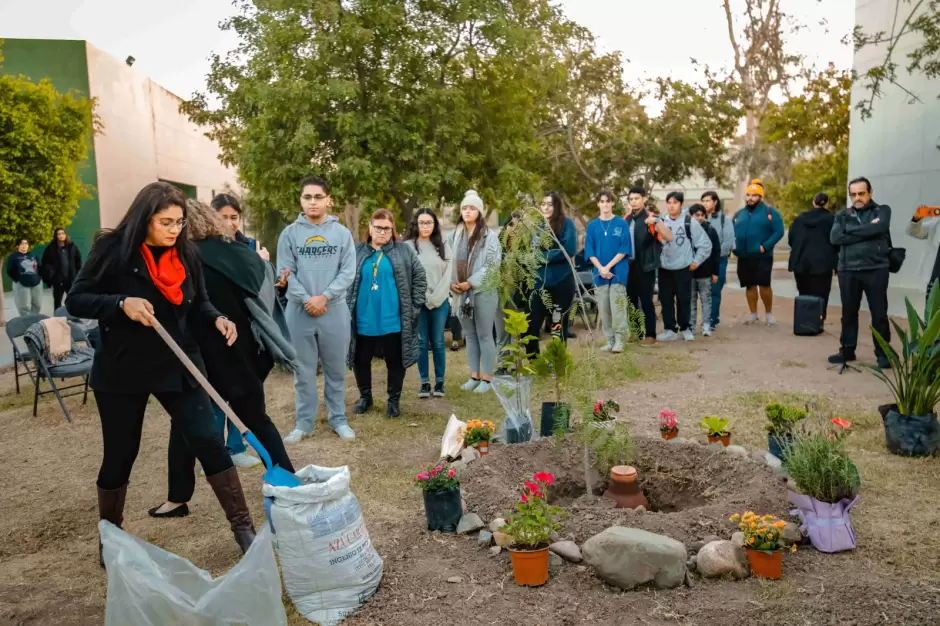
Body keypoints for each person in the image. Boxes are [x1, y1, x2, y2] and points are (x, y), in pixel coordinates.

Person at [65, 181, 255, 562]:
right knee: (121, 454)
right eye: (166, 222)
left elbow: (199, 302)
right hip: (123, 366)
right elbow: (76, 299)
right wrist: (121, 303)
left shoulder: (186, 253)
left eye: (180, 222)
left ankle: (244, 530)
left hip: (177, 362)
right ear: (144, 219)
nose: (174, 230)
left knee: (208, 440)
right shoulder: (112, 249)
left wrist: (217, 317)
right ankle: (110, 536)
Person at [149, 200, 297, 519]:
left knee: (185, 424)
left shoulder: (184, 257)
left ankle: (177, 498)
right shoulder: (242, 253)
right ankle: (290, 483)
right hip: (244, 349)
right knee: (257, 418)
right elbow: (265, 290)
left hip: (203, 352)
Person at [277, 175, 357, 443]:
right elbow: (285, 272)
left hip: (333, 310)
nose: (313, 202)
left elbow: (348, 272)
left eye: (318, 197)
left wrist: (325, 297)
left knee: (336, 369)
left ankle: (338, 419)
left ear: (328, 200)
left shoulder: (342, 234)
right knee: (303, 371)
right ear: (301, 201)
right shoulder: (290, 234)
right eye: (307, 197)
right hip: (299, 313)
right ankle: (304, 423)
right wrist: (307, 299)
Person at [349, 209, 427, 417]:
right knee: (360, 360)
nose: (382, 232)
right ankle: (366, 398)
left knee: (395, 361)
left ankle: (393, 402)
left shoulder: (404, 251)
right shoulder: (357, 252)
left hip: (393, 320)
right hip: (363, 318)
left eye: (386, 228)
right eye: (378, 227)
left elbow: (420, 277)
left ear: (392, 229)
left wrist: (415, 306)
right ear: (370, 227)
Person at [829, 177, 892, 369]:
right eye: (853, 194)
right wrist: (867, 231)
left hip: (876, 269)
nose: (857, 198)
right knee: (848, 313)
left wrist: (850, 231)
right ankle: (847, 350)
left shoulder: (882, 210)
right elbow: (834, 237)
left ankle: (883, 354)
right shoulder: (841, 214)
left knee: (879, 313)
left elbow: (880, 227)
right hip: (848, 270)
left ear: (870, 193)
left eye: (861, 193)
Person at [448, 190, 501, 393]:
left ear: (479, 211)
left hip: (483, 291)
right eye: (464, 208)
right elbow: (449, 261)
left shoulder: (490, 237)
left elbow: (491, 265)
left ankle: (487, 379)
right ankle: (474, 375)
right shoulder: (455, 235)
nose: (467, 211)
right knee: (469, 335)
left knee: (485, 335)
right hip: (461, 293)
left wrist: (470, 283)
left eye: (472, 208)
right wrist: (453, 283)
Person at [405, 208, 453, 398]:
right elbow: (408, 275)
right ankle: (425, 382)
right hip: (419, 301)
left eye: (429, 222)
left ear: (435, 225)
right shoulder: (408, 246)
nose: (425, 226)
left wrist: (436, 297)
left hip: (440, 301)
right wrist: (423, 296)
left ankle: (440, 382)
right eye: (422, 222)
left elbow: (447, 275)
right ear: (415, 224)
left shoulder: (443, 245)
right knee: (422, 342)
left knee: (439, 342)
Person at [526, 191, 577, 356]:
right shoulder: (536, 226)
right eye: (543, 204)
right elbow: (529, 251)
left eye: (550, 204)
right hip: (539, 282)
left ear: (557, 206)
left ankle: (557, 360)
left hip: (561, 282)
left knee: (558, 324)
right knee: (532, 324)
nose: (546, 207)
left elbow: (568, 249)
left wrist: (542, 257)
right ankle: (534, 360)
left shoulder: (566, 224)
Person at [657, 191, 712, 342]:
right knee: (666, 299)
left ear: (681, 204)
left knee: (684, 299)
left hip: (683, 268)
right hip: (664, 268)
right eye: (669, 202)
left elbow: (705, 244)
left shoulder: (689, 222)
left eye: (675, 202)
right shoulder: (661, 221)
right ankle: (669, 329)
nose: (671, 206)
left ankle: (685, 328)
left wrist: (696, 261)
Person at [732, 179, 785, 325]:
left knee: (764, 285)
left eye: (754, 195)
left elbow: (779, 231)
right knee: (749, 285)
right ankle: (753, 314)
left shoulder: (770, 212)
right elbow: (731, 232)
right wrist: (734, 247)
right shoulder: (739, 214)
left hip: (762, 256)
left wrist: (765, 246)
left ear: (760, 197)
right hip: (744, 255)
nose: (750, 198)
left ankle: (769, 314)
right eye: (748, 195)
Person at [585, 190, 631, 352]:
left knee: (617, 306)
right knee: (604, 307)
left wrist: (609, 266)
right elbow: (589, 251)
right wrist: (601, 268)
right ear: (598, 204)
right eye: (602, 201)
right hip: (600, 272)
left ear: (612, 203)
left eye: (608, 201)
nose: (605, 204)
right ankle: (610, 340)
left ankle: (620, 340)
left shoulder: (621, 223)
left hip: (618, 270)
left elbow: (624, 249)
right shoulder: (592, 226)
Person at [788, 192, 838, 321]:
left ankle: (805, 319)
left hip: (801, 262)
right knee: (821, 294)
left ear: (813, 203)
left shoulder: (799, 219)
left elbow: (791, 239)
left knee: (804, 293)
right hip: (823, 263)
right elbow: (837, 241)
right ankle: (819, 320)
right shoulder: (832, 219)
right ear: (827, 204)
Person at [624, 187, 660, 345]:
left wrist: (655, 224)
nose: (634, 202)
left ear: (644, 199)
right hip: (628, 266)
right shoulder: (626, 219)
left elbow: (660, 239)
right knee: (631, 301)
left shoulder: (651, 218)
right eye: (631, 199)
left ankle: (650, 334)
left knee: (646, 301)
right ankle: (636, 332)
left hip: (645, 266)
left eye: (637, 198)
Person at [701, 191, 735, 328]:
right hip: (701, 261)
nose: (705, 203)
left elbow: (727, 242)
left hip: (718, 260)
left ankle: (712, 320)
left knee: (715, 291)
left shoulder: (724, 220)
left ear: (715, 202)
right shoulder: (698, 218)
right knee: (702, 291)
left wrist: (714, 255)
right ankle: (704, 319)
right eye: (703, 201)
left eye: (708, 200)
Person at [688, 204, 721, 337]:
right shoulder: (685, 229)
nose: (700, 218)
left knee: (706, 300)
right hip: (689, 272)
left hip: (705, 272)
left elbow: (716, 252)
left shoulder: (710, 230)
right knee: (691, 300)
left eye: (702, 215)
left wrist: (715, 272)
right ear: (691, 215)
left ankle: (706, 325)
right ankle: (691, 327)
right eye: (697, 215)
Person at [41, 228, 83, 310]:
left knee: (72, 299)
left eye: (63, 233)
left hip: (70, 279)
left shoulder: (72, 247)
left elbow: (78, 262)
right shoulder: (51, 248)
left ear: (66, 235)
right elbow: (45, 263)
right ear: (56, 236)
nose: (61, 235)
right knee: (57, 301)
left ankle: (73, 316)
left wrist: (78, 275)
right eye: (59, 234)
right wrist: (51, 275)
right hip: (58, 280)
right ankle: (57, 318)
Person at [906, 205, 940, 299]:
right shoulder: (937, 222)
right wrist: (916, 219)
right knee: (932, 311)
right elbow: (914, 232)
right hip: (935, 282)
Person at [6, 238, 43, 317]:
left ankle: (34, 321)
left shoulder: (33, 255)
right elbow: (10, 270)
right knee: (24, 306)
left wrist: (39, 278)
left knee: (37, 304)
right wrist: (18, 280)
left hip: (36, 283)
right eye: (22, 244)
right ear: (17, 245)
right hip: (22, 284)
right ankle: (25, 323)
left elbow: (39, 267)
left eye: (26, 243)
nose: (24, 246)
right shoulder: (13, 257)